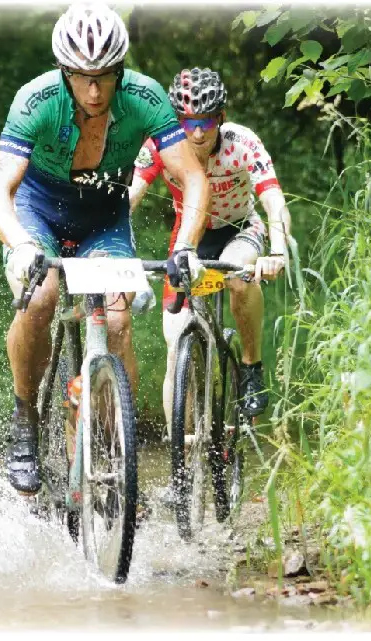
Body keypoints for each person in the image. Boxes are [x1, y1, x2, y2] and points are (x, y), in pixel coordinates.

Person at [0, 4, 211, 495]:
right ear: (65, 72)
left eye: (105, 77)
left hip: (104, 218)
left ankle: (113, 445)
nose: (93, 91)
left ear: (120, 71)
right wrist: (20, 245)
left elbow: (192, 178)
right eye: (83, 78)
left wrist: (188, 246)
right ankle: (25, 415)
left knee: (119, 320)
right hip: (37, 213)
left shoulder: (145, 98)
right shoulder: (36, 100)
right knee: (39, 298)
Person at [129, 67, 293, 433]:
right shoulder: (161, 144)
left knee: (237, 274)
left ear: (221, 117)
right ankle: (179, 467)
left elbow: (274, 201)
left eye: (206, 121)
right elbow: (132, 195)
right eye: (188, 123)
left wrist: (278, 250)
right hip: (190, 238)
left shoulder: (242, 144)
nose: (198, 132)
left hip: (239, 230)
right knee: (176, 348)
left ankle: (250, 368)